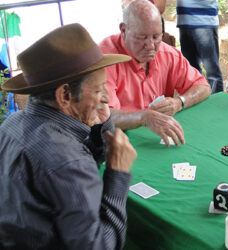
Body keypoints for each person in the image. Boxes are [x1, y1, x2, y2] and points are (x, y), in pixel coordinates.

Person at [0, 23, 137, 249]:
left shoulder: (12, 124)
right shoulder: (68, 161)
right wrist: (118, 176)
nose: (106, 98)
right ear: (64, 95)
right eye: (98, 89)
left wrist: (103, 125)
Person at [99, 0, 211, 146]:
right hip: (115, 143)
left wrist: (179, 102)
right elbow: (102, 115)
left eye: (156, 37)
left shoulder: (167, 53)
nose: (151, 46)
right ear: (123, 30)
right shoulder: (104, 59)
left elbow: (203, 86)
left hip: (154, 140)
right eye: (142, 37)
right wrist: (144, 117)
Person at [176, 0, 224, 94]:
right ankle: (196, 100)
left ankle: (217, 105)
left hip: (204, 20)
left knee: (212, 72)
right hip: (184, 20)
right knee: (190, 71)